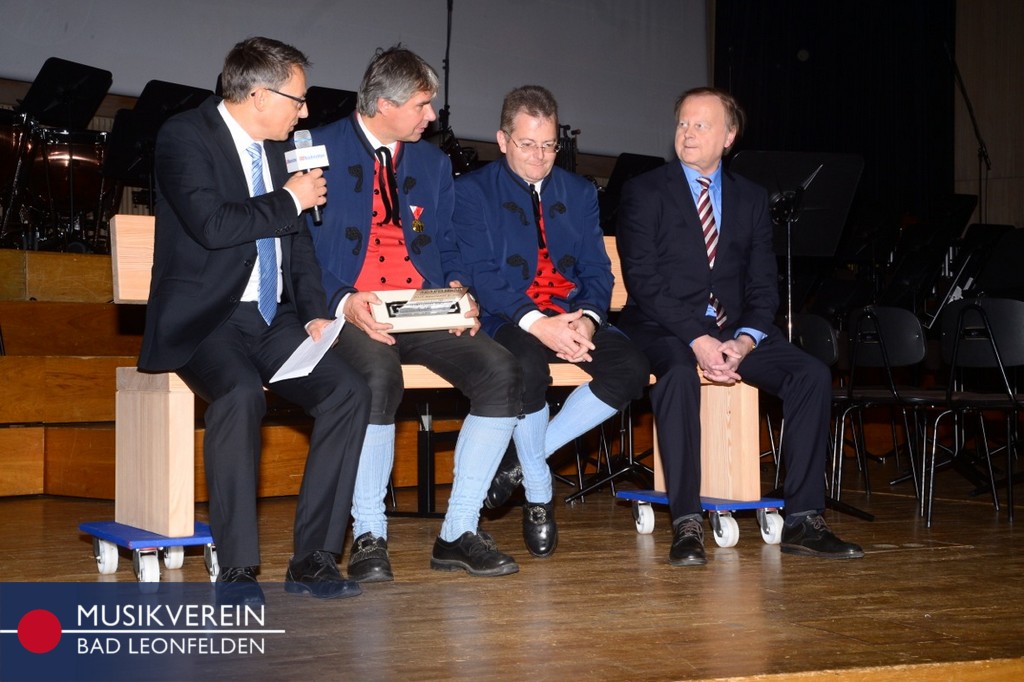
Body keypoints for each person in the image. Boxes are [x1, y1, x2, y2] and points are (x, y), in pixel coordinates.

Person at [137, 37, 371, 602]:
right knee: (241, 394)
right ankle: (237, 570)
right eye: (298, 99)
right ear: (259, 95)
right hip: (206, 319)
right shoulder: (184, 136)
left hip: (273, 318)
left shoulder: (281, 149)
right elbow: (213, 225)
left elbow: (300, 245)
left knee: (348, 391)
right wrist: (290, 199)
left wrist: (315, 314)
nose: (305, 112)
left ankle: (314, 558)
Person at [616, 86, 864, 566]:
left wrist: (746, 340)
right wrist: (698, 339)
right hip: (662, 325)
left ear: (729, 137)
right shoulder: (645, 191)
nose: (688, 133)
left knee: (810, 374)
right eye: (683, 123)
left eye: (701, 125)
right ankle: (686, 521)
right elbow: (643, 281)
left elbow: (763, 286)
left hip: (732, 332)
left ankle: (803, 519)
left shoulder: (750, 198)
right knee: (678, 373)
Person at [307, 46, 523, 580]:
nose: (432, 116)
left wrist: (457, 290)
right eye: (422, 105)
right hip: (353, 307)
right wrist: (343, 301)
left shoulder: (431, 162)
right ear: (385, 104)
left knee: (500, 369)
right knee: (378, 376)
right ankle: (369, 535)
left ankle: (458, 531)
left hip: (420, 305)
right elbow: (299, 251)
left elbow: (446, 242)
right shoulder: (314, 148)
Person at [453, 85, 650, 557]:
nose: (540, 157)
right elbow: (481, 274)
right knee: (526, 368)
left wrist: (589, 321)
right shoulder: (471, 191)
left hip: (571, 313)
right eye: (527, 144)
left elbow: (597, 270)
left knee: (631, 369)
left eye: (548, 145)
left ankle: (521, 462)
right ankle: (540, 494)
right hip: (508, 316)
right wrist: (538, 324)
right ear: (502, 140)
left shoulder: (578, 192)